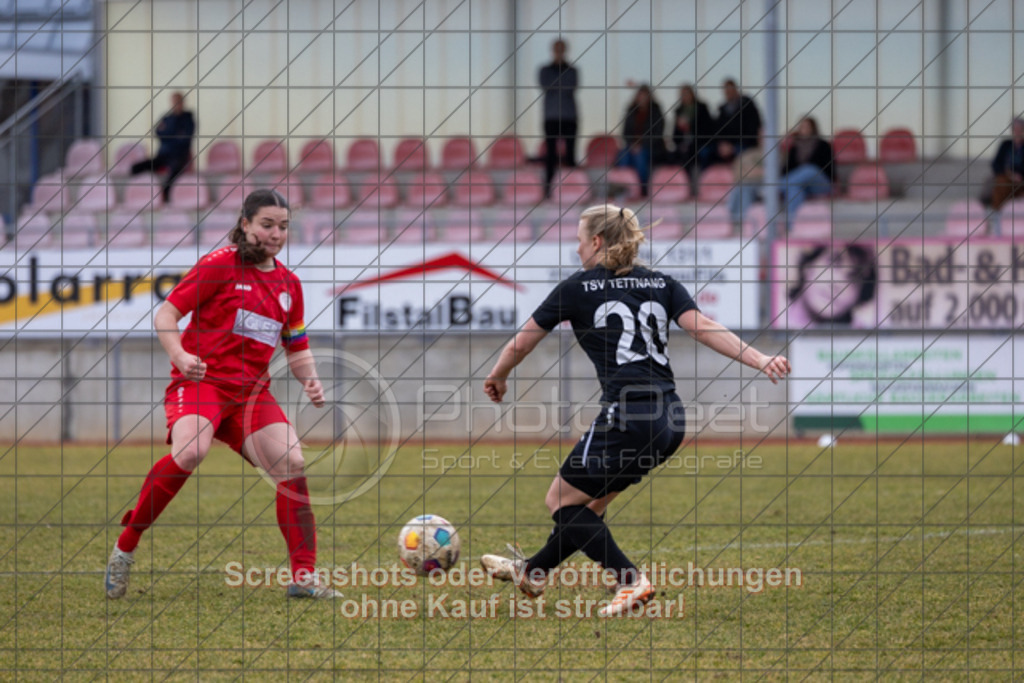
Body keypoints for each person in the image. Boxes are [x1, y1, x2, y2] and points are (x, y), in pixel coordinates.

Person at [479, 204, 791, 617]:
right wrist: (761, 358)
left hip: (628, 415)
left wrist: (498, 376)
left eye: (578, 240)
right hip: (670, 417)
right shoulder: (662, 283)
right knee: (592, 506)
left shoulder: (575, 288)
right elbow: (704, 328)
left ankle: (630, 582)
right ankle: (534, 572)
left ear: (596, 241)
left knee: (560, 501)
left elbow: (522, 342)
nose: (575, 250)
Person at [105, 189, 341, 600]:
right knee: (192, 451)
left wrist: (311, 379)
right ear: (245, 224)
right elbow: (166, 314)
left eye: (283, 226)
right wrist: (180, 353)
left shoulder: (289, 285)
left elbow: (296, 343)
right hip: (202, 384)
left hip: (251, 396)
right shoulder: (219, 265)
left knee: (293, 461)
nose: (275, 234)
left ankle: (303, 578)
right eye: (267, 225)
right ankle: (126, 546)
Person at [130, 91, 196, 203]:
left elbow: (184, 140)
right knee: (136, 168)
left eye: (178, 102)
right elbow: (158, 132)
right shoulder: (167, 117)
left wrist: (167, 134)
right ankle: (141, 195)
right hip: (163, 156)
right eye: (174, 102)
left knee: (176, 170)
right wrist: (175, 135)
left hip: (178, 156)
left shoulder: (188, 118)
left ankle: (164, 198)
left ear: (183, 102)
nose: (176, 104)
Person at [539, 39, 580, 198]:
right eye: (557, 49)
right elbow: (546, 85)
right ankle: (549, 189)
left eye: (561, 49)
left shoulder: (572, 70)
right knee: (550, 155)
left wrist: (557, 85)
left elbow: (571, 86)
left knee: (570, 154)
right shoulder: (544, 70)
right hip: (551, 117)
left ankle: (572, 189)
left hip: (569, 117)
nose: (559, 52)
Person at [780, 116, 834, 220]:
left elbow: (830, 170)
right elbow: (786, 170)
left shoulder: (823, 145)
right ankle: (790, 228)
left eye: (807, 126)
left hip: (821, 184)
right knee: (793, 190)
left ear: (813, 128)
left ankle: (774, 187)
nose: (804, 129)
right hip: (803, 185)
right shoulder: (794, 148)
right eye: (801, 126)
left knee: (809, 169)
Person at [617, 85, 667, 197]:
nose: (642, 98)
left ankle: (642, 189)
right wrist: (633, 144)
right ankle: (625, 188)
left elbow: (658, 133)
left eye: (645, 96)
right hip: (632, 145)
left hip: (651, 147)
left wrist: (642, 144)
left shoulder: (656, 112)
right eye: (640, 96)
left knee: (640, 157)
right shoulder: (631, 111)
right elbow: (625, 132)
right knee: (623, 155)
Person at [712, 79, 761, 165]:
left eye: (730, 90)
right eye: (726, 91)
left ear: (735, 90)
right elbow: (718, 131)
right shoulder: (722, 110)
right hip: (727, 146)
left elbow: (753, 129)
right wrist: (722, 144)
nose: (728, 93)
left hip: (745, 144)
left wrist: (733, 147)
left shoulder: (747, 105)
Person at [671, 84, 716, 172]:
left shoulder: (702, 108)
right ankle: (685, 182)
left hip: (700, 143)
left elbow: (708, 129)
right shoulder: (678, 111)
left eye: (687, 94)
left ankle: (705, 180)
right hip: (684, 145)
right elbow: (675, 136)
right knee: (677, 156)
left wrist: (690, 127)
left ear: (692, 94)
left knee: (704, 154)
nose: (685, 96)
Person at [983, 117, 1024, 210]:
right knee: (1001, 182)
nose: (1017, 132)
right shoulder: (1006, 145)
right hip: (1006, 177)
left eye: (1020, 129)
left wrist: (1019, 175)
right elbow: (995, 164)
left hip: (1021, 179)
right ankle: (998, 213)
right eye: (1015, 129)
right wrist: (1010, 174)